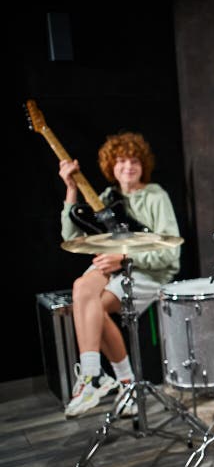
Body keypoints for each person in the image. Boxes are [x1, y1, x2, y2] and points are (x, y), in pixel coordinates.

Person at [59, 131, 181, 419]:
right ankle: (92, 376)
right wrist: (71, 189)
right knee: (82, 288)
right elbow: (70, 236)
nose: (128, 166)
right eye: (122, 161)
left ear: (143, 165)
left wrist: (124, 257)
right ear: (111, 166)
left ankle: (121, 382)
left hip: (149, 269)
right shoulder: (106, 198)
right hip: (114, 265)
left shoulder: (156, 195)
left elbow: (169, 254)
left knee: (95, 309)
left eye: (134, 161)